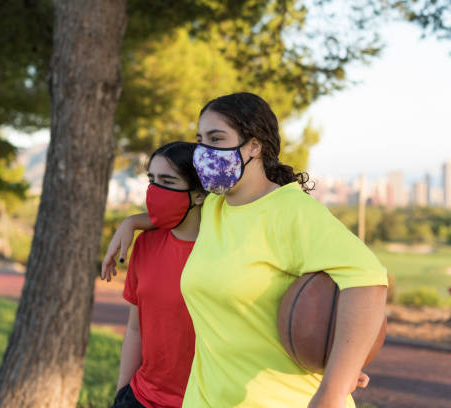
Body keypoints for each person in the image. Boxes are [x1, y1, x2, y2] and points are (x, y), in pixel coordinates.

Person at [102, 93, 387, 408]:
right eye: (201, 140)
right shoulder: (214, 207)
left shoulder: (292, 211)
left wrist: (334, 386)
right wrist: (131, 223)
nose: (204, 152)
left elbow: (368, 281)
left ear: (254, 145)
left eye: (217, 139)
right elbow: (175, 211)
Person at [108, 141, 206, 408]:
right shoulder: (145, 244)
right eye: (152, 179)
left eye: (168, 181)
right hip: (140, 398)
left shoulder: (220, 252)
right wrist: (121, 394)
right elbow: (134, 329)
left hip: (200, 401)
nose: (155, 190)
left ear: (199, 194)